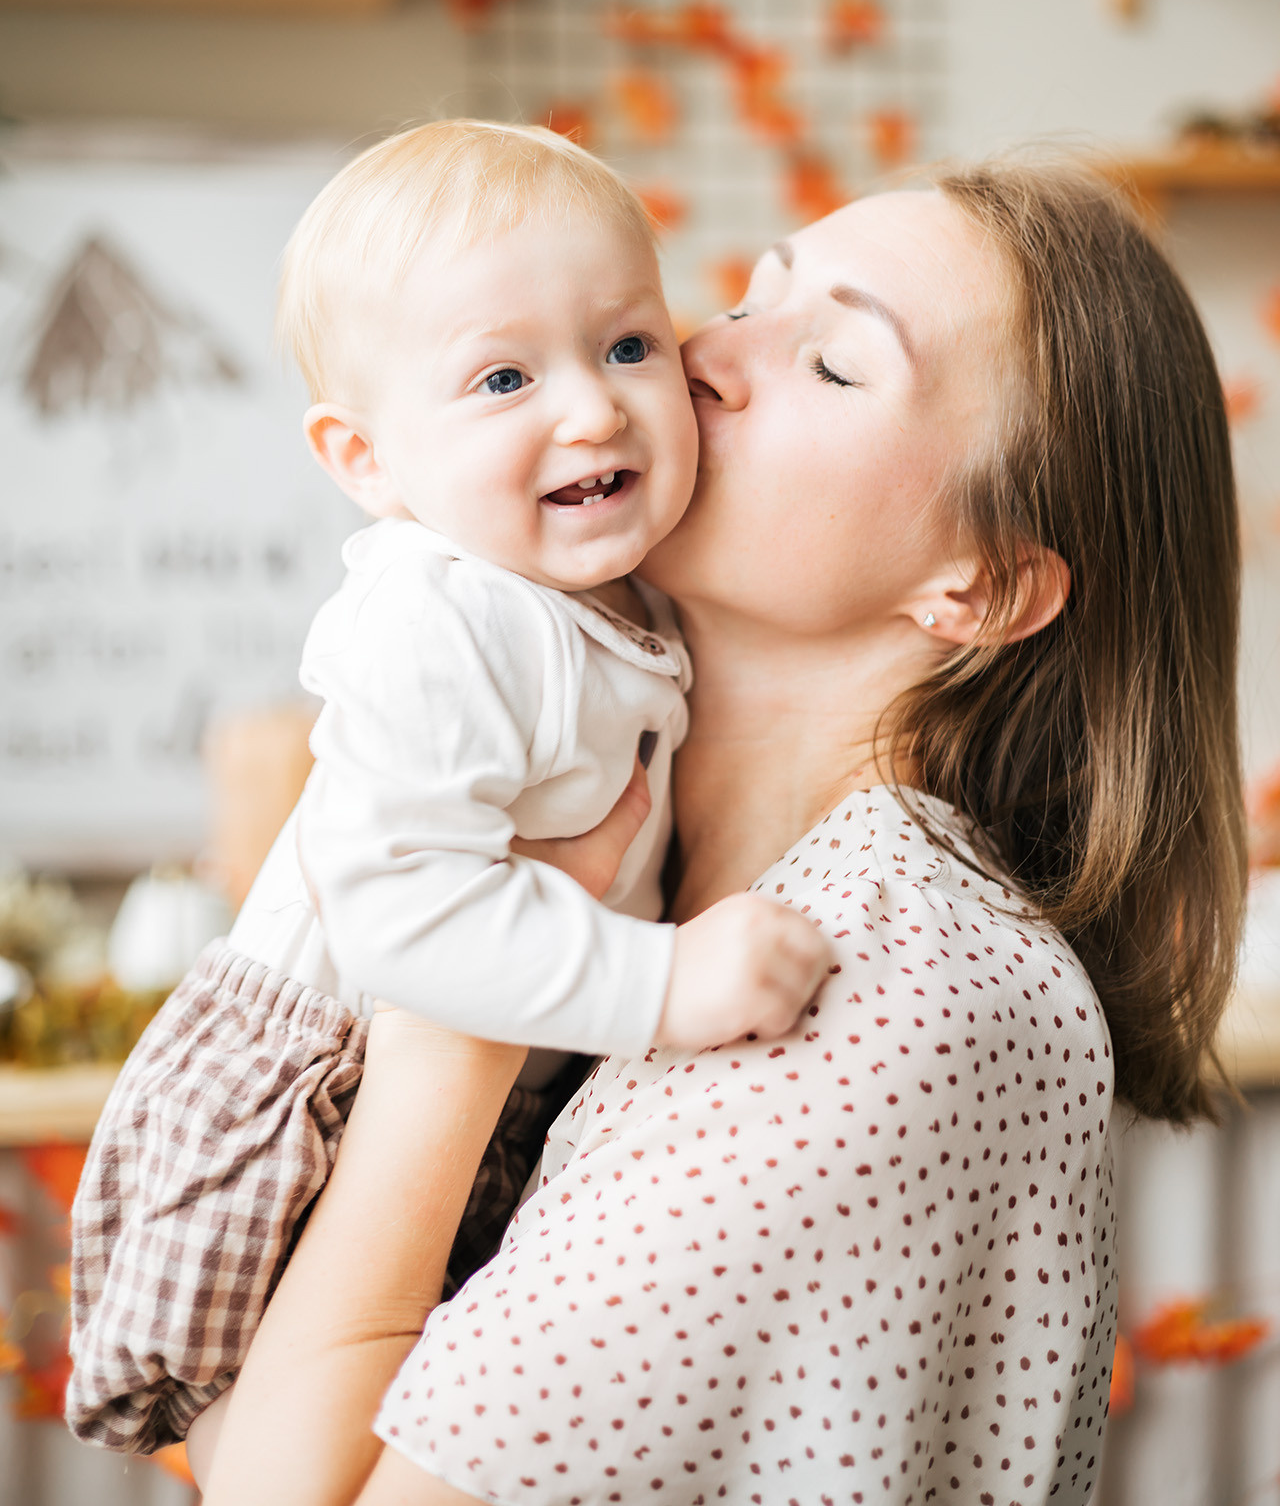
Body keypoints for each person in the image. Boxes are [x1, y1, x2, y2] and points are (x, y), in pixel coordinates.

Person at [195, 155, 1247, 1506]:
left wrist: (459, 997)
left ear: (977, 586)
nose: (704, 356)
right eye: (757, 294)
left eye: (836, 364)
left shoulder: (878, 996)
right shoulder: (649, 893)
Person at [66, 122, 827, 1456]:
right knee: (278, 1448)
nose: (592, 408)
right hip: (321, 1088)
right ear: (366, 462)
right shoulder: (446, 618)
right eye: (502, 378)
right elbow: (399, 910)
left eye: (630, 346)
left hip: (498, 1057)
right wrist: (667, 988)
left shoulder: (603, 588)